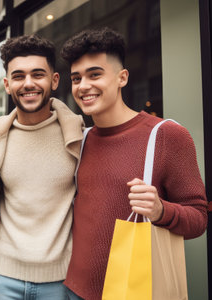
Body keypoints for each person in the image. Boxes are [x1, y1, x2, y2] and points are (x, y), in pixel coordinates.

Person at [60, 27, 208, 299]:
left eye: (95, 74)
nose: (83, 86)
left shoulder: (165, 135)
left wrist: (161, 210)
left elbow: (199, 218)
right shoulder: (77, 141)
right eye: (76, 78)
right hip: (71, 289)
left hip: (132, 291)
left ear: (122, 77)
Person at [0, 35, 84, 299]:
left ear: (53, 80)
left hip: (60, 280)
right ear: (7, 84)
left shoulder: (77, 133)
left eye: (37, 74)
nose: (28, 83)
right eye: (18, 76)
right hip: (3, 277)